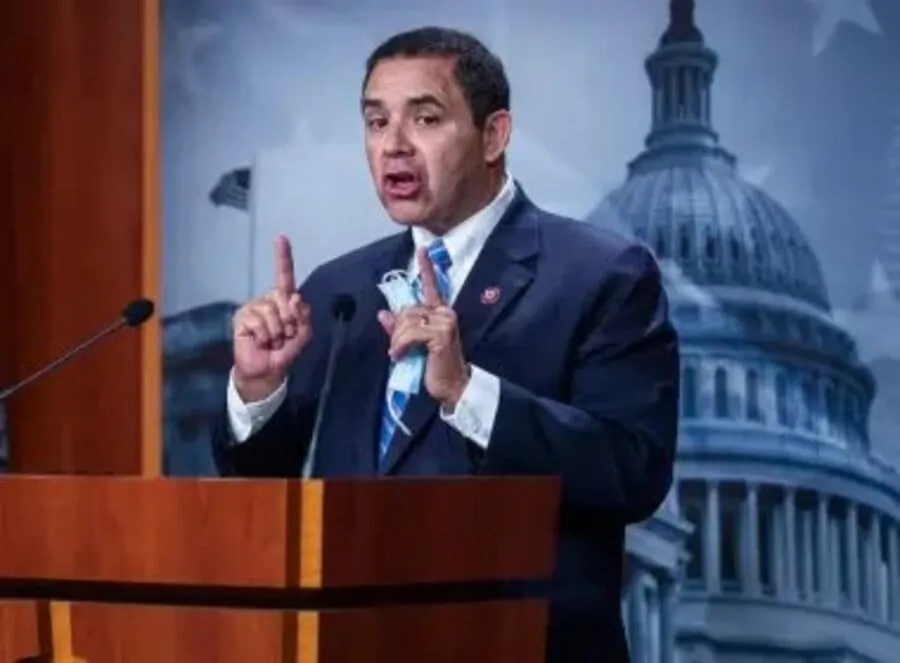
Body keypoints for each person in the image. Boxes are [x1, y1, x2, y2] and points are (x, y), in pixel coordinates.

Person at [211, 25, 679, 662]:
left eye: (425, 119)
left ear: (494, 135)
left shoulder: (602, 275)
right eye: (376, 122)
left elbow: (633, 472)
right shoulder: (339, 289)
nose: (393, 146)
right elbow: (268, 496)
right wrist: (257, 391)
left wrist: (467, 393)